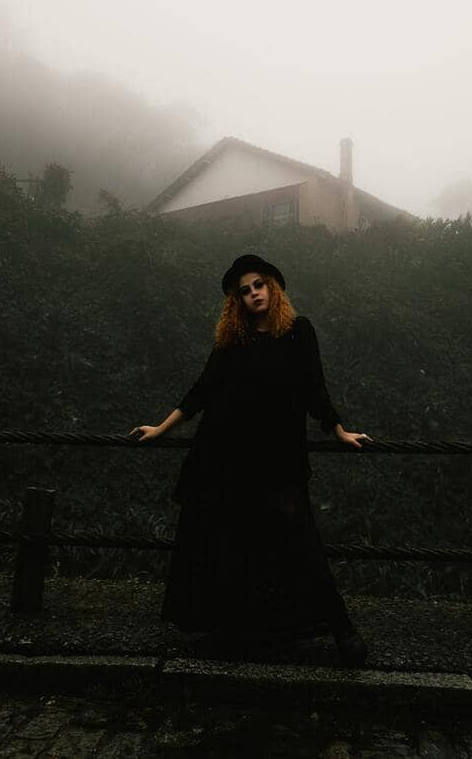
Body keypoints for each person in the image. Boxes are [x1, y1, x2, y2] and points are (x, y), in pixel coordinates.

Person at [129, 254, 371, 666]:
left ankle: (342, 630)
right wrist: (161, 428)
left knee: (301, 538)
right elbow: (203, 390)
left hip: (278, 456)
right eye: (244, 290)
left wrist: (338, 430)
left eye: (258, 284)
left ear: (273, 287)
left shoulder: (298, 331)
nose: (253, 293)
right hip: (225, 453)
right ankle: (236, 634)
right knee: (232, 543)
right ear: (236, 301)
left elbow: (315, 388)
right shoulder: (233, 339)